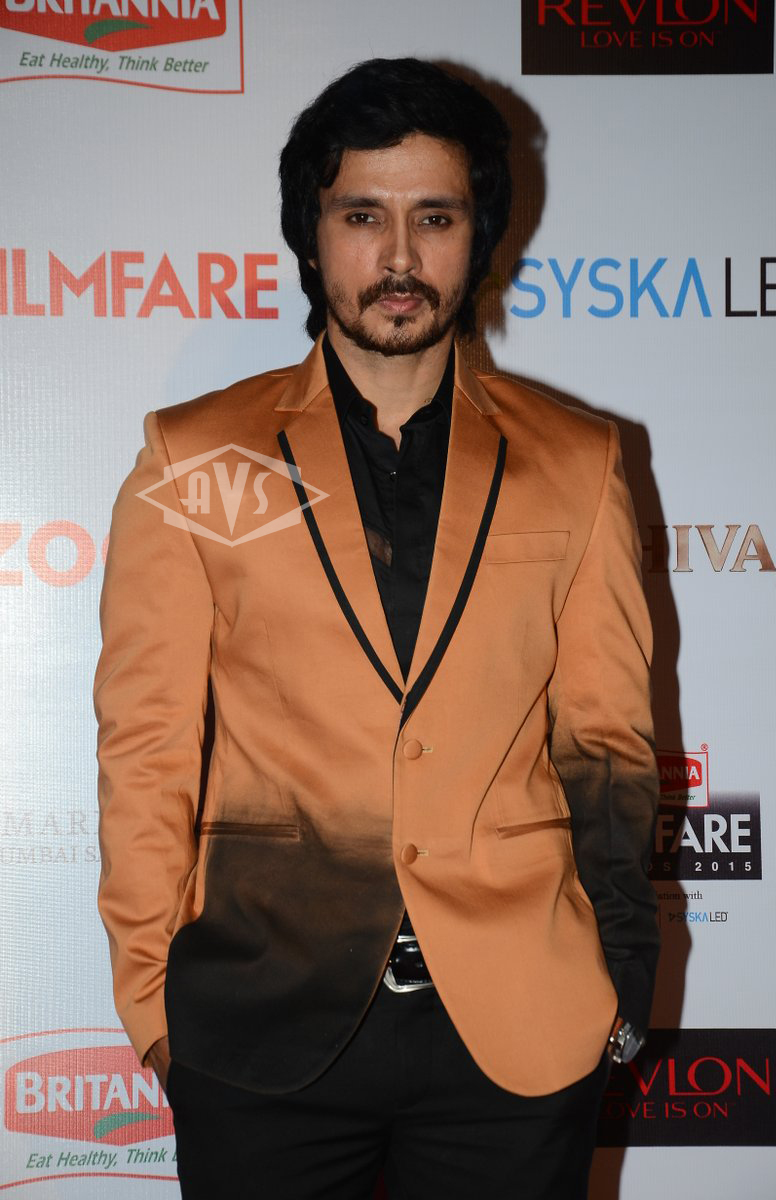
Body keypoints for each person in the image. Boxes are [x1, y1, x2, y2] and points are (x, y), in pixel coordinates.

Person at [94, 57, 660, 1200]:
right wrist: (152, 1003)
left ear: (479, 236)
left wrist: (620, 980)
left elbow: (607, 745)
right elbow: (147, 749)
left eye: (434, 218)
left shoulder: (577, 459)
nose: (399, 258)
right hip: (261, 1027)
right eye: (363, 216)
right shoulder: (195, 455)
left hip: (519, 1031)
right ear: (312, 236)